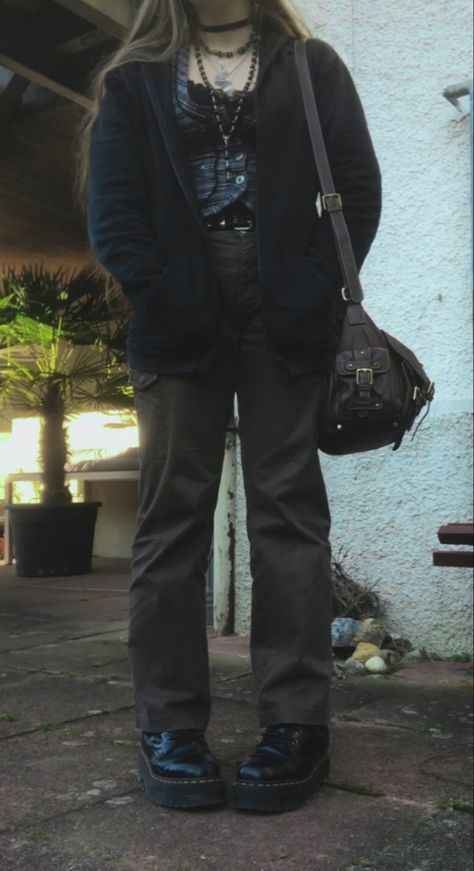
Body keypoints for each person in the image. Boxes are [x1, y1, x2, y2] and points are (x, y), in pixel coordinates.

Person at [79, 0, 382, 813]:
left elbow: (354, 186)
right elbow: (113, 210)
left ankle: (294, 723)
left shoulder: (310, 67)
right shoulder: (134, 79)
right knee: (173, 513)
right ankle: (169, 726)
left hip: (287, 306)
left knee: (287, 511)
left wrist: (313, 287)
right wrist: (164, 292)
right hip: (178, 309)